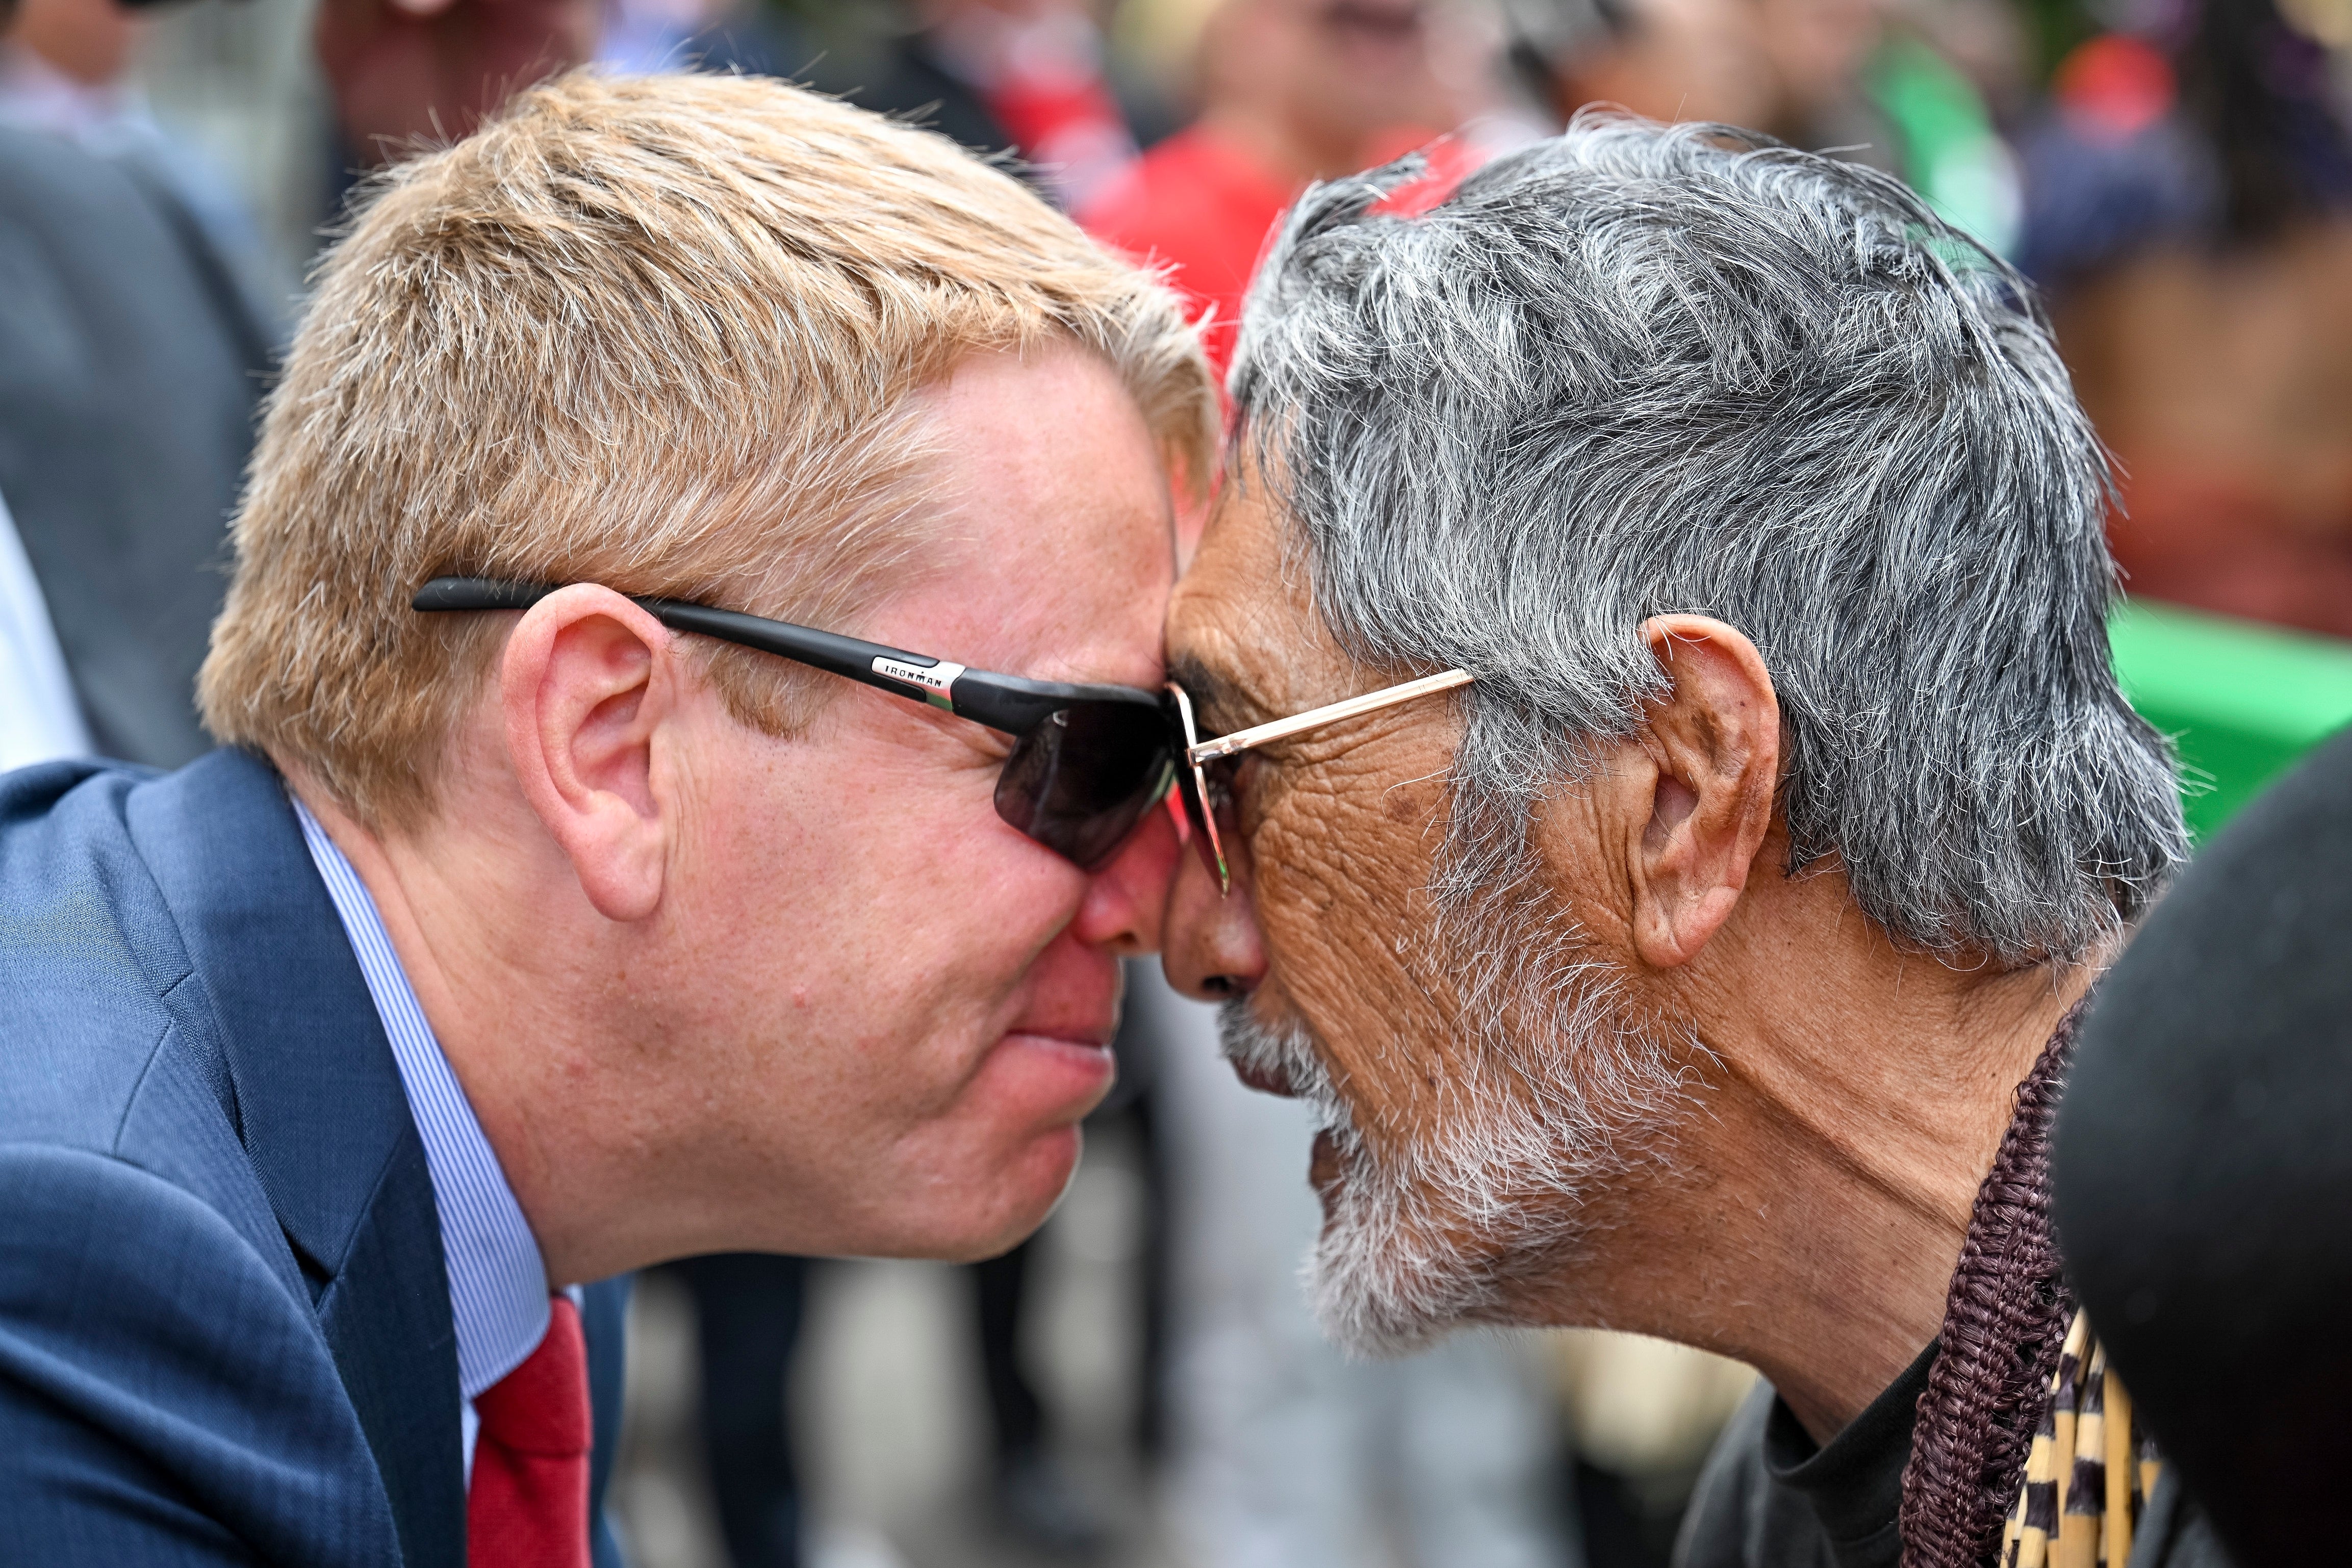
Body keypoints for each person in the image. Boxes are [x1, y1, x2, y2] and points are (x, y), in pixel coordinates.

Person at [0, 67, 1212, 1564]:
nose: (1166, 904)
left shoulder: (525, 1140)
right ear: (609, 742)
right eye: (1081, 757)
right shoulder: (78, 1279)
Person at [1156, 114, 2223, 1567]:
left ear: (1682, 788)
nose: (1194, 941)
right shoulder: (1852, 1462)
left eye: (1235, 763)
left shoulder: (2278, 1403)